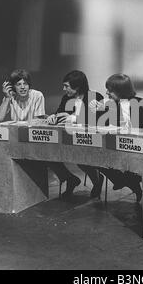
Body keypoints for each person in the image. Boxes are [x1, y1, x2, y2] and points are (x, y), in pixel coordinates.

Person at [0, 69, 81, 197]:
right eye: (19, 84)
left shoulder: (37, 95)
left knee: (42, 151)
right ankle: (68, 178)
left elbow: (38, 120)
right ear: (13, 86)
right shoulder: (10, 97)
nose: (23, 87)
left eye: (25, 84)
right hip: (17, 139)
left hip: (33, 137)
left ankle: (67, 178)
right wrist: (7, 98)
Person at [89, 73, 143, 202]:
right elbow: (98, 126)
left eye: (110, 90)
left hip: (137, 150)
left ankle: (132, 183)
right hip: (116, 149)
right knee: (95, 158)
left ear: (121, 91)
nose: (106, 92)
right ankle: (131, 184)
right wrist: (95, 112)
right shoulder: (108, 105)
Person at [45, 70, 105, 198]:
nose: (63, 89)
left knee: (80, 158)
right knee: (47, 154)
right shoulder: (66, 98)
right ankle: (69, 178)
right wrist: (53, 117)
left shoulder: (95, 97)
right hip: (69, 139)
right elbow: (59, 113)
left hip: (90, 140)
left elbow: (99, 120)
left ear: (77, 86)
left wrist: (74, 117)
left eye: (66, 86)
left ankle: (97, 181)